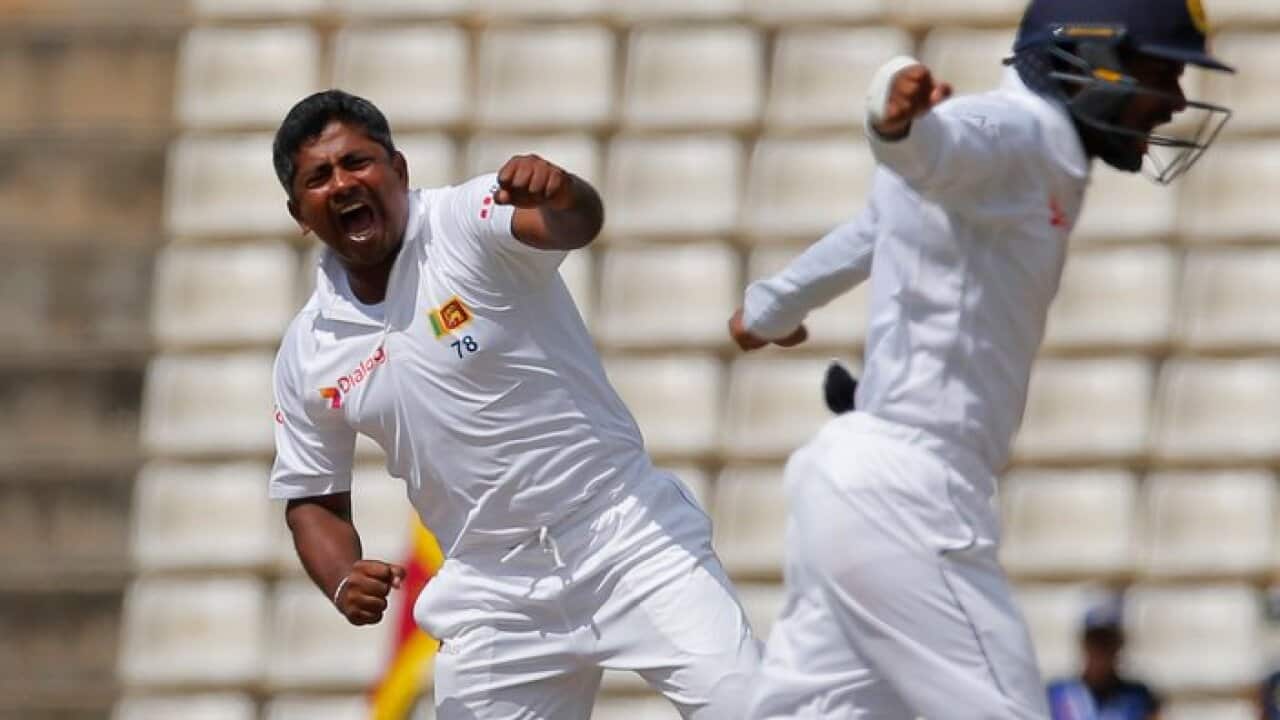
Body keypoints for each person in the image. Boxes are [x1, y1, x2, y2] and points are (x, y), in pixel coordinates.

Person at [729, 0, 1233, 717]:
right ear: (1092, 59)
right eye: (1163, 72)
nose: (1176, 102)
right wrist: (895, 113)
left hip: (853, 483)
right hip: (909, 495)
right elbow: (933, 148)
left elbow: (880, 222)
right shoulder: (1015, 134)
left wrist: (774, 306)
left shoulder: (1038, 152)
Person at [268, 89, 759, 720]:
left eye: (357, 163)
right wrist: (340, 578)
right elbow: (313, 497)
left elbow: (572, 224)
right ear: (298, 213)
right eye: (318, 177)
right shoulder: (309, 350)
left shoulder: (464, 220)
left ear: (399, 169)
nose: (342, 183)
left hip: (625, 533)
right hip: (493, 588)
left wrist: (561, 193)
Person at [1046, 600, 1162, 720]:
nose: (1101, 651)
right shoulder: (1057, 695)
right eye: (1095, 642)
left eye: (1107, 643)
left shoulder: (1139, 697)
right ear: (1084, 644)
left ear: (1118, 646)